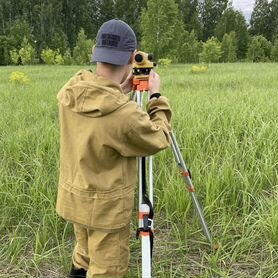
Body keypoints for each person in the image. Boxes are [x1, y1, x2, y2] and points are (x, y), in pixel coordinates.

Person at [56, 19, 172, 278]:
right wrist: (155, 97)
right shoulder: (123, 114)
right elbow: (158, 137)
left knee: (83, 252)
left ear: (96, 52)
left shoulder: (71, 90)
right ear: (133, 57)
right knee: (107, 268)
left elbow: (99, 109)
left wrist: (117, 90)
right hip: (106, 210)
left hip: (75, 198)